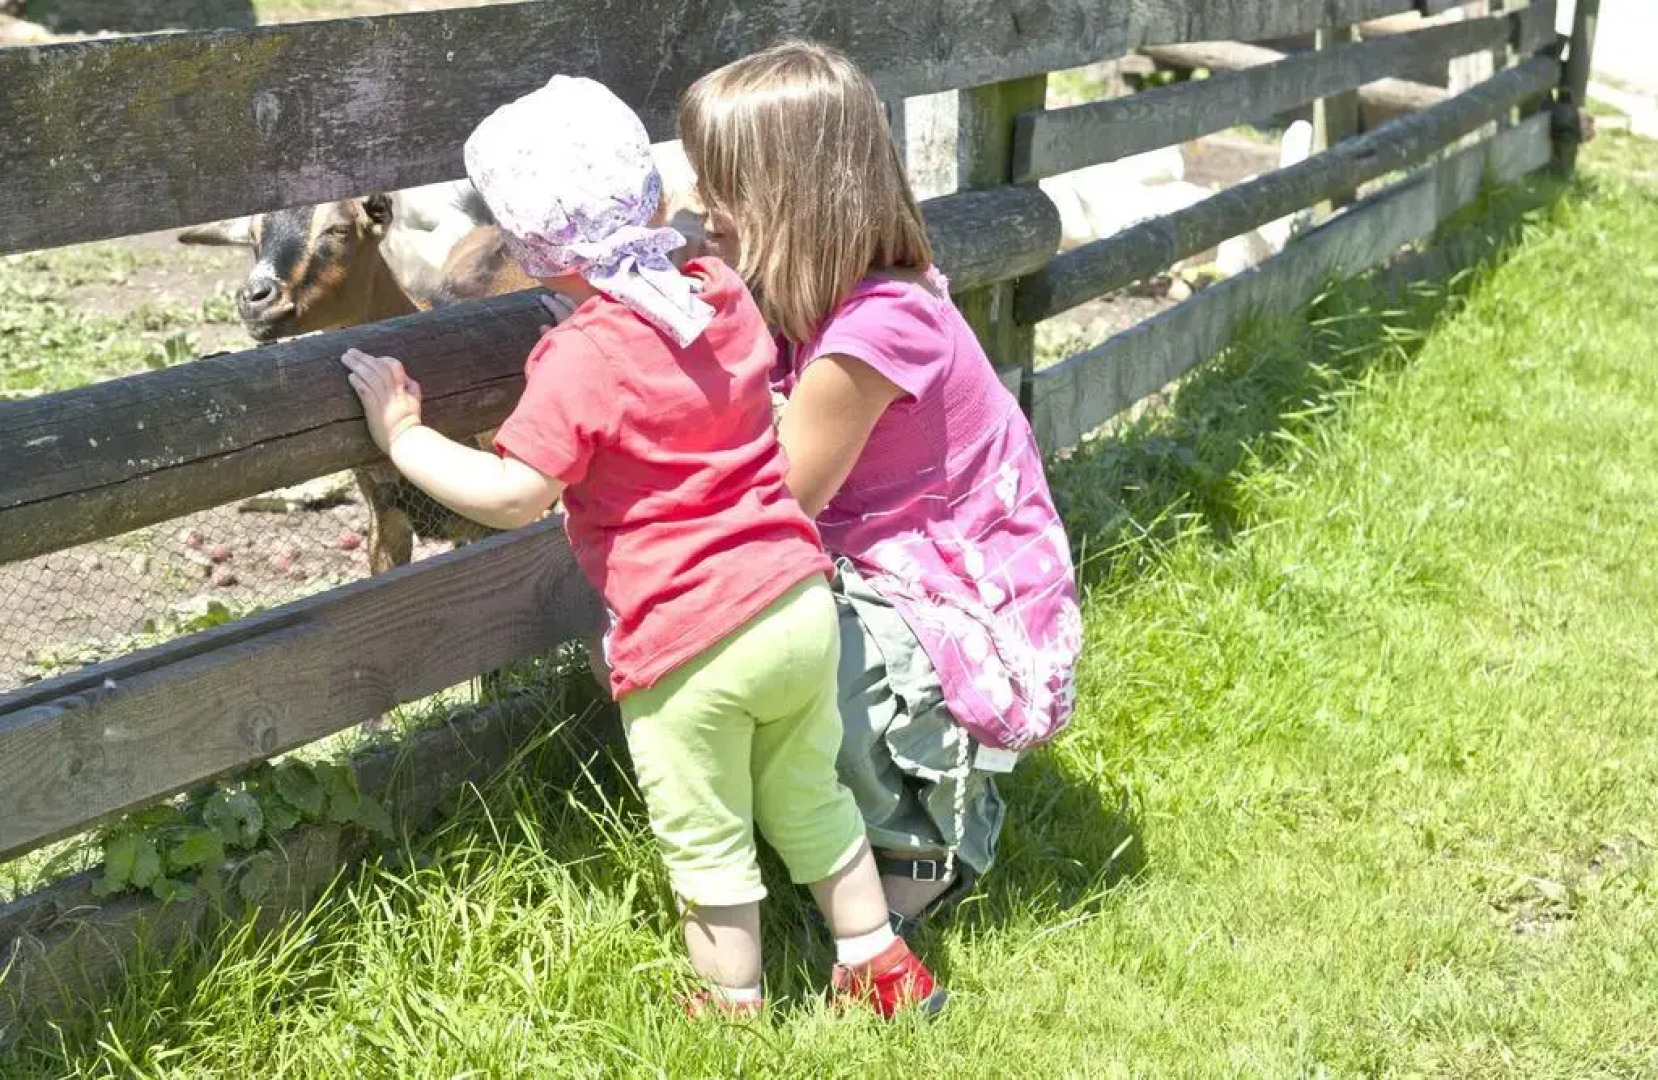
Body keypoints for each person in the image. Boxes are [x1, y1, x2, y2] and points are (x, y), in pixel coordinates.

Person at [340, 75, 944, 1018]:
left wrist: (405, 438)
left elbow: (513, 494)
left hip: (690, 641)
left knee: (706, 841)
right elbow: (663, 354)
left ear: (530, 251)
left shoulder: (576, 359)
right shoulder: (720, 293)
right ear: (657, 200)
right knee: (809, 795)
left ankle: (732, 1009)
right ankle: (882, 971)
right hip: (795, 601)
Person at [678, 42, 1084, 934]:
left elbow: (776, 502)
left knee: (805, 648)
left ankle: (928, 842)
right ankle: (826, 825)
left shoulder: (880, 327)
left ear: (790, 196)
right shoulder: (803, 299)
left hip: (959, 594)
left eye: (718, 184)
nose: (696, 206)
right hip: (882, 555)